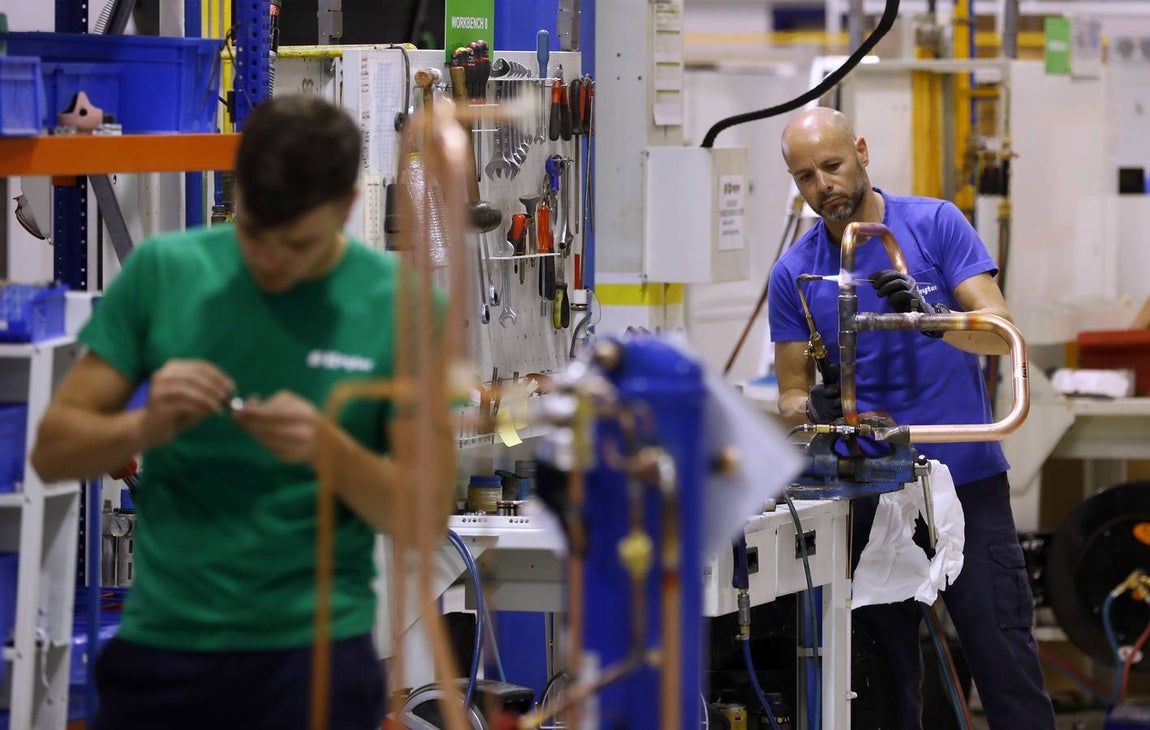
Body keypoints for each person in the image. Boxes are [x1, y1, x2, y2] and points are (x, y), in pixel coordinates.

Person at [31, 94, 416, 730]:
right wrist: (145, 424)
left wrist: (330, 450)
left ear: (348, 207)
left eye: (297, 244)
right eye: (253, 233)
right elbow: (51, 453)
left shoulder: (398, 303)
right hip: (167, 653)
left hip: (316, 662)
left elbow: (421, 513)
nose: (269, 262)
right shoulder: (164, 273)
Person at [767, 107, 1055, 730]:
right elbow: (789, 392)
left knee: (1003, 656)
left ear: (862, 151)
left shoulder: (934, 225)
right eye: (806, 176)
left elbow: (1000, 336)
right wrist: (812, 406)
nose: (823, 185)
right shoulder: (794, 273)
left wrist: (931, 315)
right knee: (884, 683)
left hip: (966, 481)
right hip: (869, 493)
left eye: (832, 165)